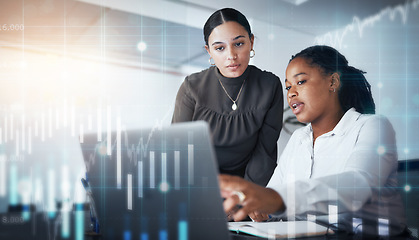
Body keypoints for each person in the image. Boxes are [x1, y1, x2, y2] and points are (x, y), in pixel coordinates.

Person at [219, 45, 407, 236]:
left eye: (300, 82)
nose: (291, 93)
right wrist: (246, 206)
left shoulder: (373, 126)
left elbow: (357, 187)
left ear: (333, 82)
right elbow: (271, 199)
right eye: (288, 87)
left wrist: (273, 199)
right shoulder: (298, 139)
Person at [172, 8, 283, 186]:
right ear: (209, 51)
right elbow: (179, 150)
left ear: (251, 42)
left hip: (248, 187)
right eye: (220, 48)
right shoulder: (191, 87)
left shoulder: (270, 85)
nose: (231, 55)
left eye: (238, 44)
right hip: (198, 183)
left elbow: (265, 152)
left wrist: (243, 197)